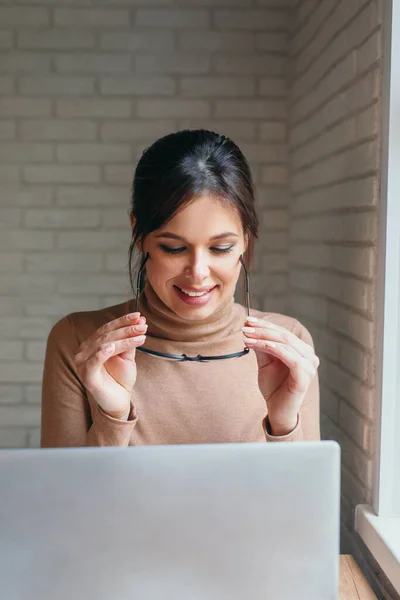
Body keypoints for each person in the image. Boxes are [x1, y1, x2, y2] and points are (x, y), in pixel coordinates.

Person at [40, 129, 320, 448]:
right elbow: (65, 496)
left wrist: (284, 426)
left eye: (221, 248)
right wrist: (112, 416)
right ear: (138, 233)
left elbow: (302, 497)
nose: (198, 273)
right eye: (174, 248)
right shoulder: (80, 340)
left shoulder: (288, 345)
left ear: (246, 238)